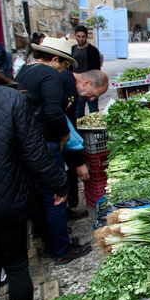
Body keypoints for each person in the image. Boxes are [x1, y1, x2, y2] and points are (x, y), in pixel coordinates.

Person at [0, 68, 69, 300]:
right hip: (6, 201)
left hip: (6, 198)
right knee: (15, 267)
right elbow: (34, 151)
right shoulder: (9, 97)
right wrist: (59, 183)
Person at [15, 37, 91, 265]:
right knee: (58, 195)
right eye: (64, 64)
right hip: (45, 144)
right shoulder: (49, 75)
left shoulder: (24, 72)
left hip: (27, 144)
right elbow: (53, 112)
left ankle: (51, 245)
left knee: (42, 197)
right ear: (55, 59)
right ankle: (62, 249)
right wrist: (65, 136)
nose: (64, 70)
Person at [61, 69, 108, 220]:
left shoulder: (67, 80)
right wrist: (79, 161)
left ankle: (67, 210)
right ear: (86, 83)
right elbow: (66, 124)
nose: (92, 99)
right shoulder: (67, 84)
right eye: (94, 94)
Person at [71, 25, 104, 118]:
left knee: (94, 111)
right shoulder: (72, 49)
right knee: (78, 111)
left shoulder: (92, 50)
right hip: (77, 85)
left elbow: (97, 69)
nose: (81, 39)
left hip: (91, 84)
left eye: (83, 36)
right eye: (79, 36)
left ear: (86, 36)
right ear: (75, 36)